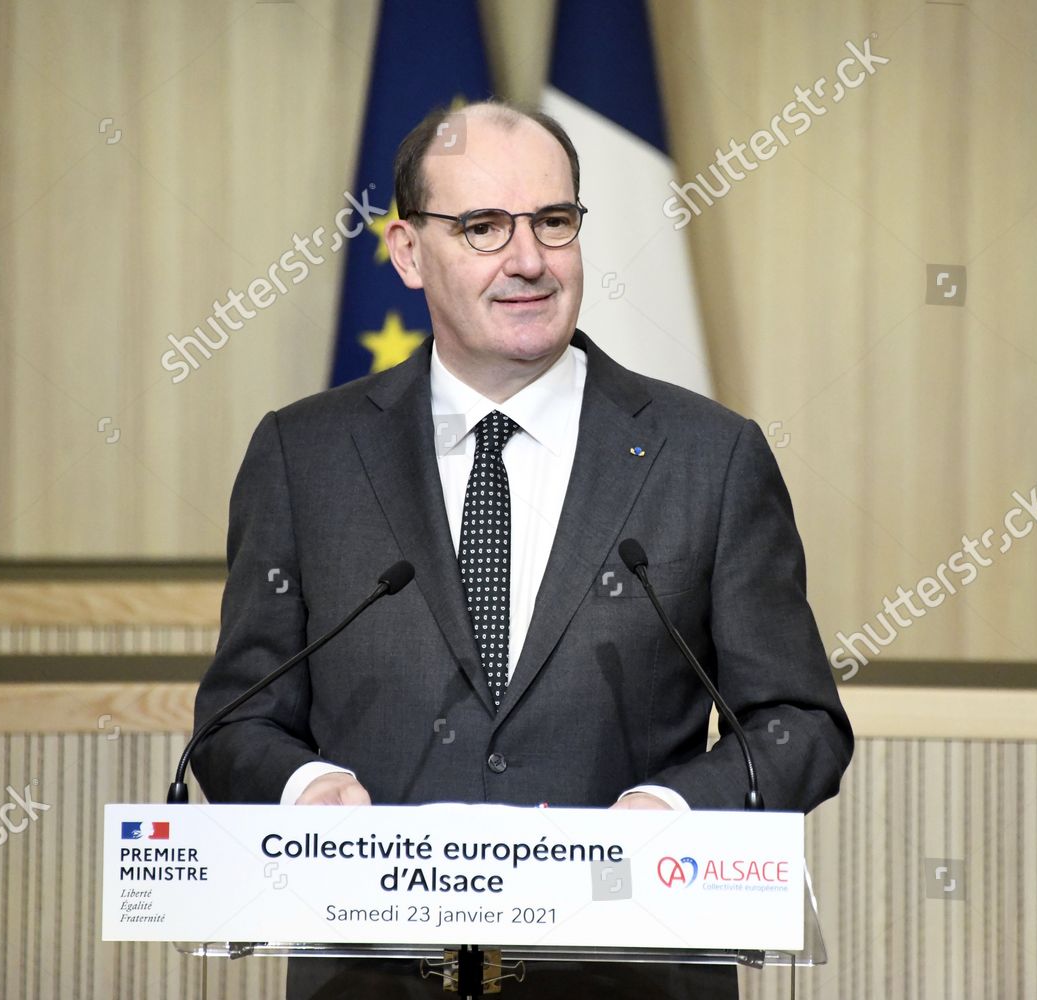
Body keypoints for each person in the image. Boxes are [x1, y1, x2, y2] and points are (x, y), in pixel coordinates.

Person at [192, 100, 852, 999]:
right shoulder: (304, 456)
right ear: (408, 252)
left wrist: (672, 810)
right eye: (482, 227)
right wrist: (306, 787)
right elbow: (236, 722)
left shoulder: (709, 456)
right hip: (372, 978)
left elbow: (799, 724)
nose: (530, 260)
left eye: (553, 221)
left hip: (629, 978)